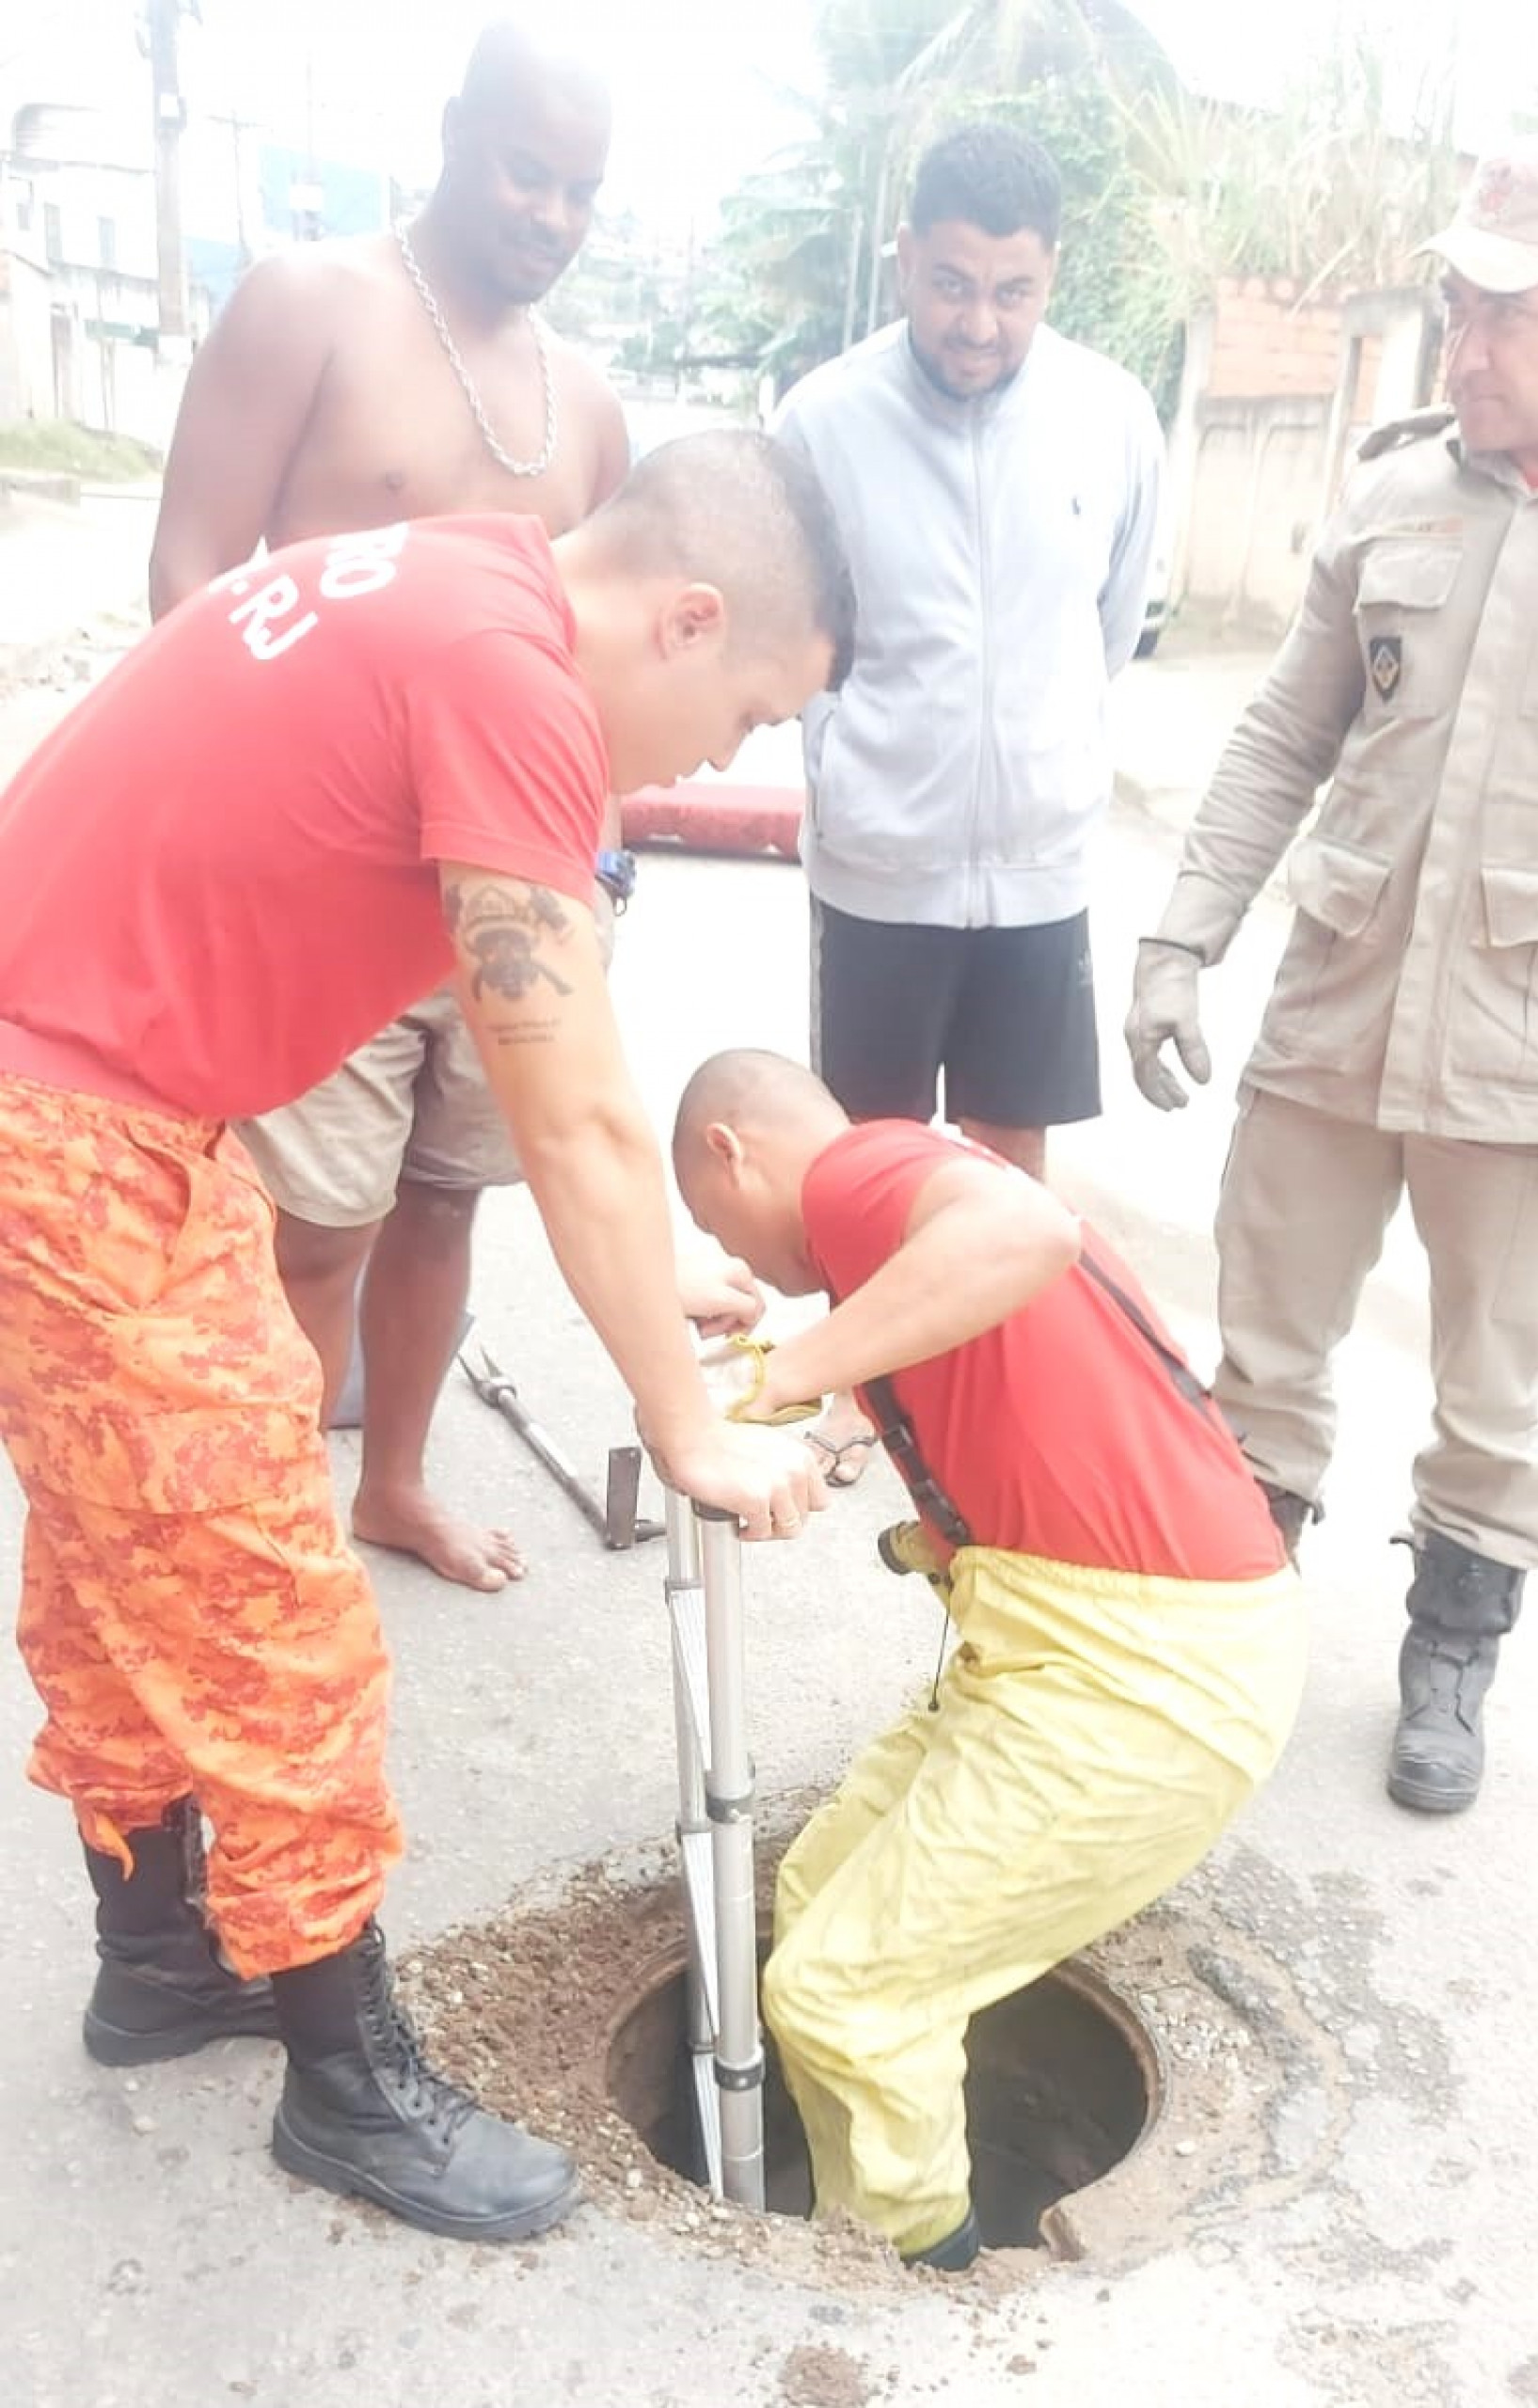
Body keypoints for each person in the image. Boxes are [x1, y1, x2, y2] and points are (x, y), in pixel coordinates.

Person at [0, 430, 853, 2242]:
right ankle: (344, 2088)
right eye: (751, 714)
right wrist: (685, 1418)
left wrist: (639, 1280)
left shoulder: (466, 582)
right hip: (66, 1139)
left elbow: (538, 1074)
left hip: (101, 1111)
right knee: (269, 1621)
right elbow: (575, 1108)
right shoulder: (510, 681)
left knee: (119, 1569)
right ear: (689, 618)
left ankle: (158, 1965)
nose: (724, 762)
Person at [1124, 135, 1538, 1815]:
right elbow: (1288, 731)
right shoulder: (1396, 486)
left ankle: (1449, 1651)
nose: (1467, 350)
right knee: (1265, 1348)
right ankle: (1233, 1626)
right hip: (1340, 1008)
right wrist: (1177, 932)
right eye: (1454, 308)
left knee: (1492, 1385)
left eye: (1506, 317)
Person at [672, 1049, 1305, 2269]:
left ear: (731, 1152)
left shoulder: (858, 1175)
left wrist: (782, 1375)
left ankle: (926, 2274)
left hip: (1145, 1676)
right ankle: (859, 2214)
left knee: (844, 1992)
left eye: (718, 1225)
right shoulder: (901, 1195)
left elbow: (1027, 1227)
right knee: (813, 1902)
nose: (745, 1261)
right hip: (1077, 1642)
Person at [149, 17, 632, 1593]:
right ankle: (271, 1521)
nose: (550, 217)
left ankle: (396, 1483)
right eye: (524, 173)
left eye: (580, 191)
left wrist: (595, 867)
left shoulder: (589, 408)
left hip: (492, 907)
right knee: (310, 1230)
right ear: (452, 130)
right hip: (318, 891)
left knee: (443, 1208)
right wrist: (238, 833)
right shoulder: (314, 309)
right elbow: (190, 573)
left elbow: (593, 664)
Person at [773, 120, 1164, 1485]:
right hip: (881, 861)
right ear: (905, 262)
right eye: (950, 284)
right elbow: (800, 633)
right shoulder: (822, 421)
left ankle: (997, 1387)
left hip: (1039, 866)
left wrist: (1040, 752)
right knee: (872, 1159)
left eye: (1013, 290)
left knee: (1007, 1152)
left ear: (1051, 275)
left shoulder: (1111, 411)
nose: (979, 323)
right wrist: (867, 759)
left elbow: (1109, 620)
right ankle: (866, 1393)